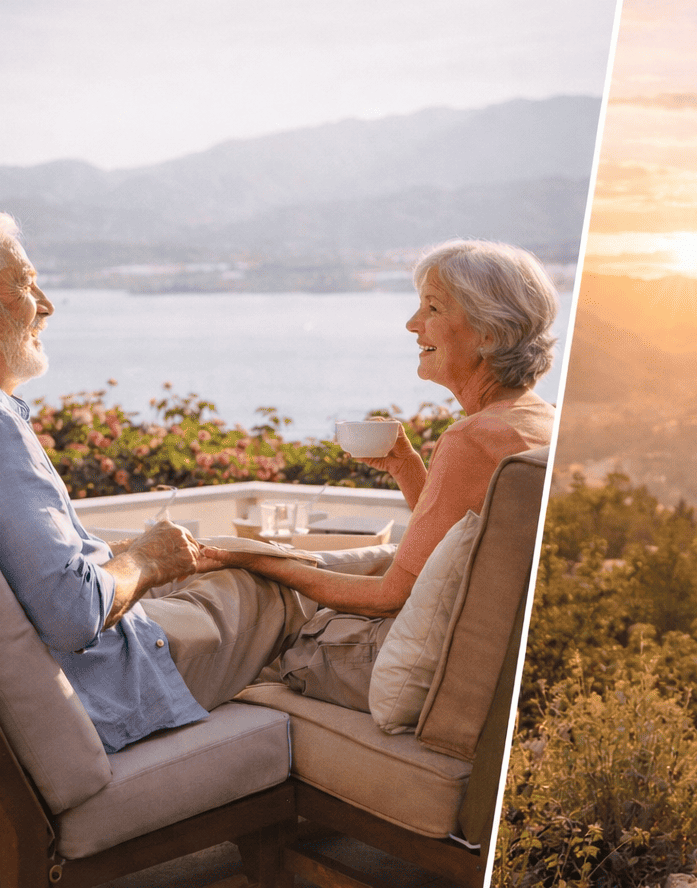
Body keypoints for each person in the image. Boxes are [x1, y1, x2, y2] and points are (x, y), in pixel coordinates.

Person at [0, 210, 306, 753]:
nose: (46, 305)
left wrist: (134, 552)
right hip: (101, 691)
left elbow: (6, 573)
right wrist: (147, 560)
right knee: (273, 586)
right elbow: (72, 614)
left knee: (231, 573)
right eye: (26, 284)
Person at [202, 239, 556, 708]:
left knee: (254, 632)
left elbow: (389, 597)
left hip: (405, 665)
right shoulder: (540, 422)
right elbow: (458, 540)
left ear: (488, 334)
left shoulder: (473, 438)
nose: (412, 324)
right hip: (470, 652)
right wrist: (408, 467)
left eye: (432, 307)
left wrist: (257, 559)